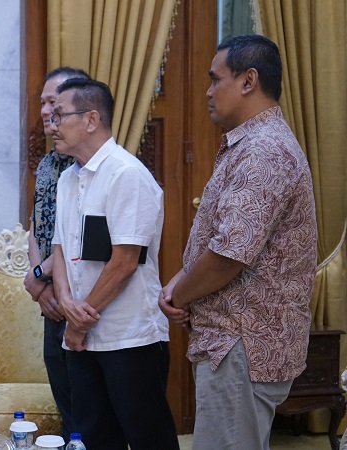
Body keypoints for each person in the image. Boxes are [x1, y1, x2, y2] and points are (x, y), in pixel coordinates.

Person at [159, 34, 317, 450]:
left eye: (216, 79)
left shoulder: (263, 149)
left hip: (242, 345)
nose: (208, 92)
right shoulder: (252, 144)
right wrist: (181, 286)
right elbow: (223, 237)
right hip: (238, 344)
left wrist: (179, 293)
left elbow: (230, 255)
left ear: (248, 81)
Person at [50, 78, 179, 450]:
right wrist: (65, 303)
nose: (53, 124)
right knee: (94, 437)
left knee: (147, 438)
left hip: (129, 335)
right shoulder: (66, 179)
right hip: (82, 336)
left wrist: (79, 319)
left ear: (91, 119)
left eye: (61, 115)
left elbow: (125, 261)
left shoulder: (127, 174)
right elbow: (59, 248)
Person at [23, 66, 89, 439]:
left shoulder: (86, 163)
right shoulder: (49, 162)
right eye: (44, 102)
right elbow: (36, 226)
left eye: (55, 103)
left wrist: (38, 278)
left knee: (86, 406)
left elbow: (76, 237)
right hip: (51, 295)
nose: (47, 111)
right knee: (64, 399)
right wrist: (40, 280)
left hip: (79, 296)